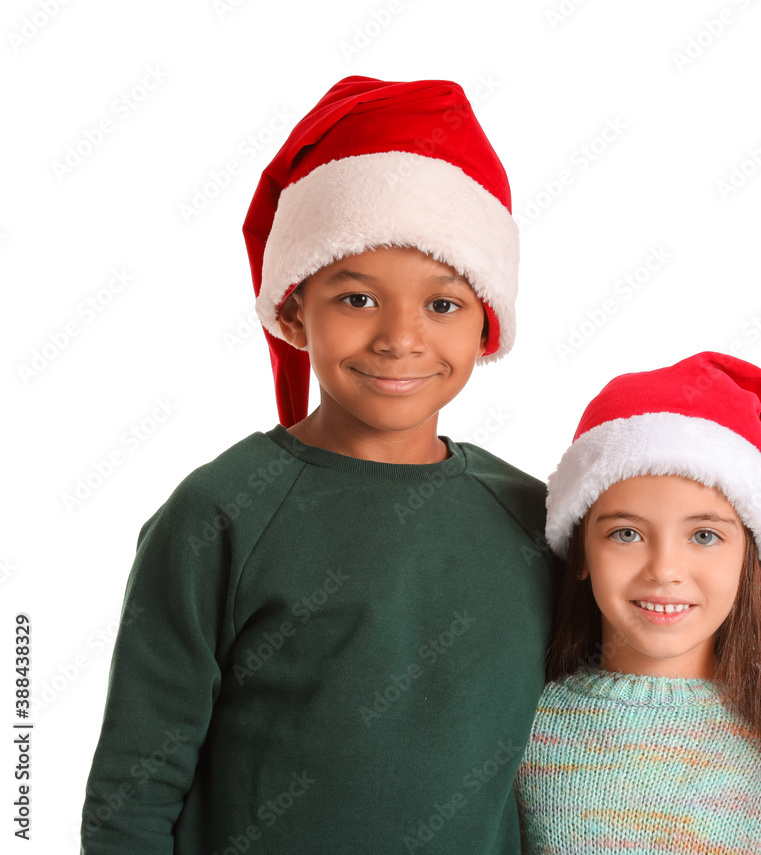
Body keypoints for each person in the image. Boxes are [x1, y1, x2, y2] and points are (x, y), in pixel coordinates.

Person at [81, 76, 555, 854]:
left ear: (487, 326)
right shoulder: (223, 510)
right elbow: (135, 784)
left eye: (443, 304)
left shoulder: (534, 520)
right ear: (295, 310)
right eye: (357, 298)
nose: (400, 338)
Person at [516, 352, 761, 854]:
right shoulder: (522, 725)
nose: (664, 569)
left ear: (748, 558)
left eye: (704, 535)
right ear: (581, 553)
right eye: (626, 533)